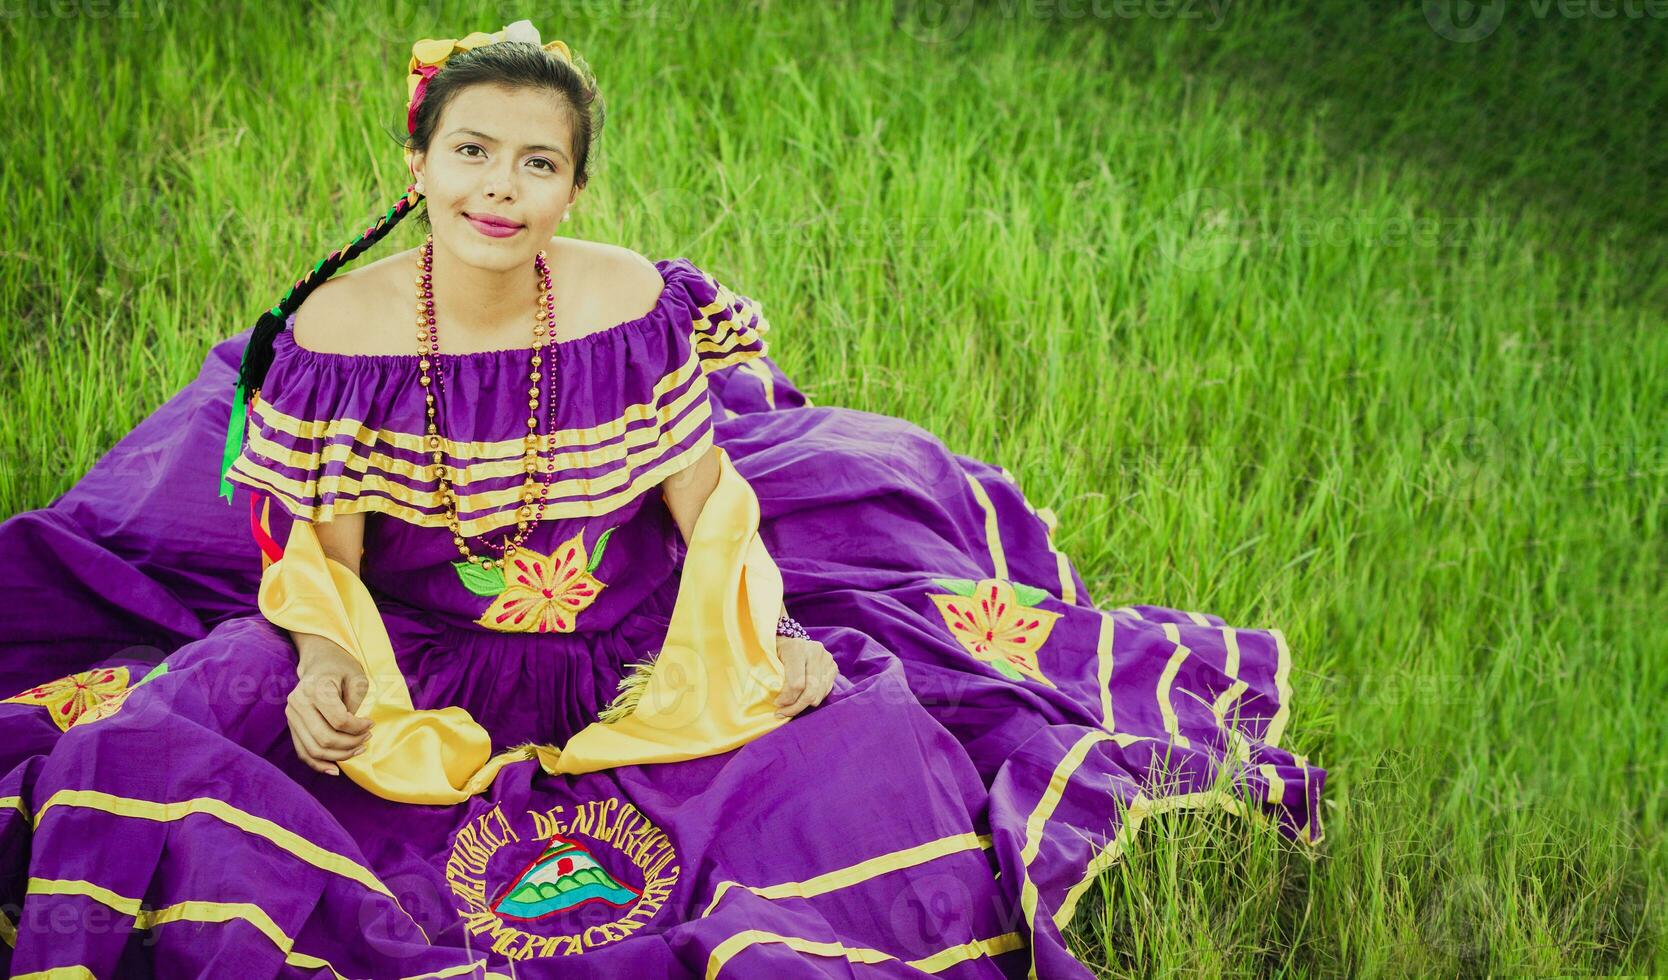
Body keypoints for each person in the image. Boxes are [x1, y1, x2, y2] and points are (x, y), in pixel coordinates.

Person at [0, 20, 1327, 978]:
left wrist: (740, 649)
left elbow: (709, 502)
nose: (497, 190)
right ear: (418, 162)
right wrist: (327, 672)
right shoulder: (342, 334)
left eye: (536, 164)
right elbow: (322, 555)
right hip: (422, 666)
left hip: (634, 640)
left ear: (573, 188)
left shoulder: (623, 304)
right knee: (155, 758)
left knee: (865, 756)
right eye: (470, 151)